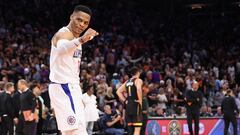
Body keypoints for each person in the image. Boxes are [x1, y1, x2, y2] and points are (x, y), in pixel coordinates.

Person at [48, 5, 98, 135]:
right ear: (71, 17)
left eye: (85, 23)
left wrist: (87, 38)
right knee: (77, 131)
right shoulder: (64, 33)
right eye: (79, 20)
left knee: (71, 131)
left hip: (71, 87)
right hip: (64, 87)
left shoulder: (75, 38)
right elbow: (61, 48)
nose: (82, 25)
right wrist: (82, 39)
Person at [117, 67, 143, 135]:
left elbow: (118, 91)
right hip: (135, 103)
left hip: (128, 105)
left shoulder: (127, 81)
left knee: (130, 129)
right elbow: (138, 89)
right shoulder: (138, 80)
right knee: (137, 128)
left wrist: (125, 100)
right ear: (138, 73)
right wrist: (140, 100)